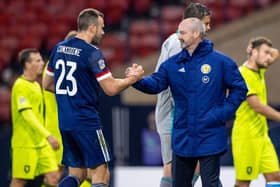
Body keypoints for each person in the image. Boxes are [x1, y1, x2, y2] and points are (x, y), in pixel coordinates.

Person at [128, 18, 247, 187]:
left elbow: (240, 89)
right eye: (178, 32)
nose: (179, 37)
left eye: (182, 32)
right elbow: (155, 84)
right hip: (183, 135)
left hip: (210, 134)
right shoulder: (172, 64)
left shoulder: (221, 62)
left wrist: (223, 113)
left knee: (211, 184)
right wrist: (136, 80)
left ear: (196, 33)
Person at [42, 8, 144, 187]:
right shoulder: (91, 52)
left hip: (65, 122)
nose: (103, 32)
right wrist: (132, 79)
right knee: (101, 174)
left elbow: (47, 84)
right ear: (91, 28)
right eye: (101, 28)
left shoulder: (58, 48)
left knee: (77, 174)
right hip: (86, 121)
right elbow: (111, 88)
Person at [154, 2, 211, 187]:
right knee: (172, 167)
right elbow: (174, 82)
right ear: (194, 24)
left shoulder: (176, 41)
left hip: (179, 113)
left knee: (192, 166)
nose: (209, 28)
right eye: (206, 23)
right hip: (174, 114)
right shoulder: (180, 43)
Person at [232, 36, 280, 187]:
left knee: (275, 176)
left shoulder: (259, 70)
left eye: (268, 53)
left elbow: (275, 53)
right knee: (243, 183)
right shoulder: (242, 74)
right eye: (265, 52)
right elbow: (257, 106)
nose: (268, 57)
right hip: (246, 136)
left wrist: (266, 51)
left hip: (262, 136)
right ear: (253, 52)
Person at [10, 48, 60, 187]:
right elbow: (28, 115)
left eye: (41, 60)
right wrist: (48, 135)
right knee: (19, 181)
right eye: (38, 60)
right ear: (27, 64)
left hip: (41, 143)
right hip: (25, 144)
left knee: (54, 176)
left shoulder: (37, 85)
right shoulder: (20, 86)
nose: (42, 63)